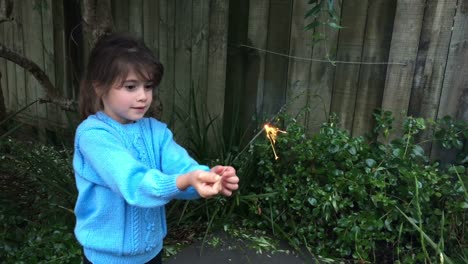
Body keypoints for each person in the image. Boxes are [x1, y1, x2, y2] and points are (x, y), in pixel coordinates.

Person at [73, 33, 239, 264]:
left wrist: (207, 176)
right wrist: (185, 180)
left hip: (152, 253)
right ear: (99, 87)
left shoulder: (155, 131)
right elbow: (133, 182)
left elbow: (181, 167)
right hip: (106, 259)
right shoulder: (93, 136)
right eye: (131, 87)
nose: (143, 96)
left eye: (148, 86)